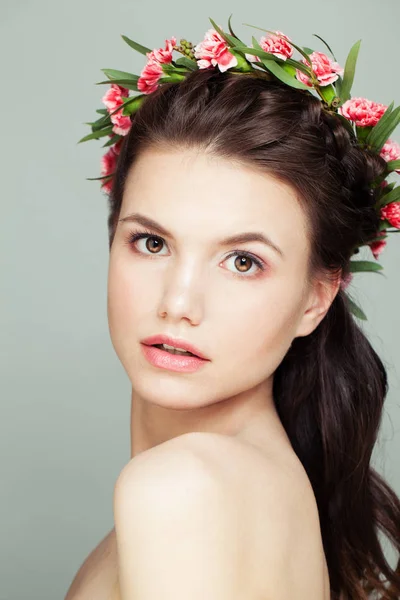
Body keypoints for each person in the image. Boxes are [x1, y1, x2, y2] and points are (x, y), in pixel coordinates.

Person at [65, 25, 400, 600]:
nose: (177, 303)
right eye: (151, 243)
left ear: (315, 298)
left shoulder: (182, 491)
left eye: (243, 262)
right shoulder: (261, 484)